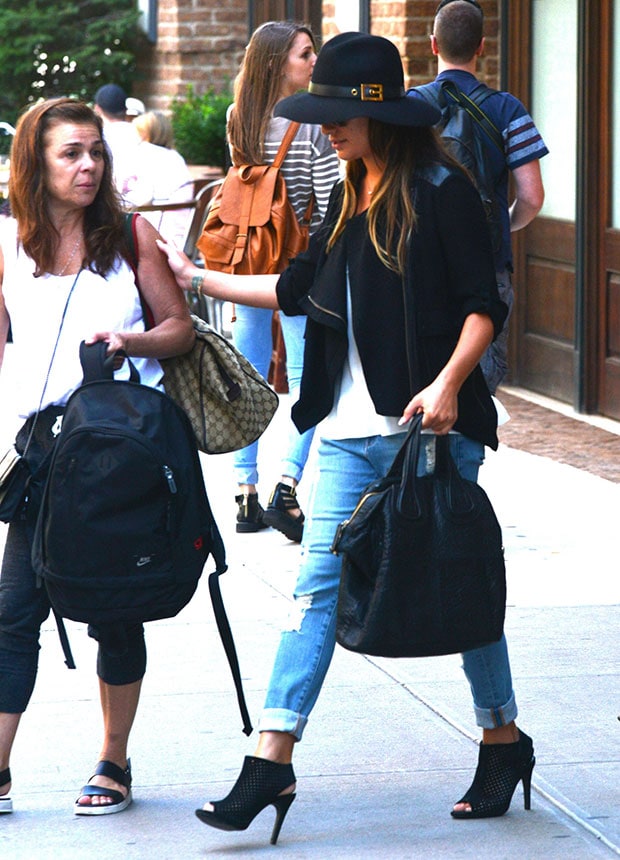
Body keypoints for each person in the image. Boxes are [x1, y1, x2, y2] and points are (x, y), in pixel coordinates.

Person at [157, 32, 535, 844]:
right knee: (315, 597)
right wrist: (195, 280)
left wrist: (447, 383)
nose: (325, 131)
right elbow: (296, 285)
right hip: (345, 435)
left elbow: (484, 303)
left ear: (380, 119)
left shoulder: (444, 190)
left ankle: (502, 738)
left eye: (338, 119)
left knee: (459, 593)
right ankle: (271, 761)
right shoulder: (350, 188)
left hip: (425, 432)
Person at [0, 97, 194, 816]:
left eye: (95, 153)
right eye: (70, 153)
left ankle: (114, 760)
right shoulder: (9, 243)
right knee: (14, 608)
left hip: (118, 452)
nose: (87, 166)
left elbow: (178, 328)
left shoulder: (129, 236)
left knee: (115, 609)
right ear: (35, 163)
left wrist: (130, 342)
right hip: (43, 455)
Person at [220, 21, 341, 542]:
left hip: (246, 260)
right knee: (307, 378)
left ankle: (243, 493)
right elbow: (322, 202)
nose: (314, 63)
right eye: (305, 55)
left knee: (245, 377)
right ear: (277, 62)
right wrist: (317, 262)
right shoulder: (312, 123)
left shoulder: (238, 117)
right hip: (293, 267)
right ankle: (286, 489)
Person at [409, 0, 548, 394]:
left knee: (421, 375)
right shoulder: (509, 110)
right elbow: (533, 197)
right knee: (477, 388)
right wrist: (504, 222)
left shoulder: (409, 108)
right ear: (482, 46)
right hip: (487, 264)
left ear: (433, 44)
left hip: (421, 261)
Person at [131, 110, 194, 246]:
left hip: (160, 237)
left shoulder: (145, 153)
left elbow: (142, 199)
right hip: (185, 236)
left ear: (143, 135)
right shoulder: (176, 158)